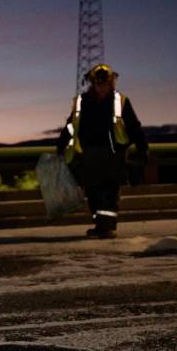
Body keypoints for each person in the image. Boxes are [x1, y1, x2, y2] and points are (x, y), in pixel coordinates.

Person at [56, 64, 148, 238]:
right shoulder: (82, 102)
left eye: (105, 83)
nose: (102, 87)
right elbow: (71, 125)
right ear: (93, 83)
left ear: (111, 82)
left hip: (114, 154)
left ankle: (107, 227)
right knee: (93, 192)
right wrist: (61, 144)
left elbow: (134, 125)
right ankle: (100, 226)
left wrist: (143, 147)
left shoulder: (120, 101)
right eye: (98, 83)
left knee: (110, 192)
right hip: (90, 154)